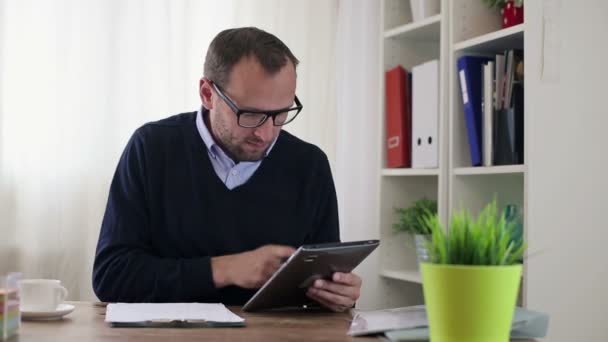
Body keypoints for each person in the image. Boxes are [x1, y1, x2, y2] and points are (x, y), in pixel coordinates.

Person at [92, 27, 361, 312]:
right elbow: (112, 277)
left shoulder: (310, 165)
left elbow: (319, 283)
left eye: (281, 113)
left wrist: (339, 294)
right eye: (252, 114)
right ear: (208, 94)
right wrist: (225, 269)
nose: (267, 133)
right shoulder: (151, 148)